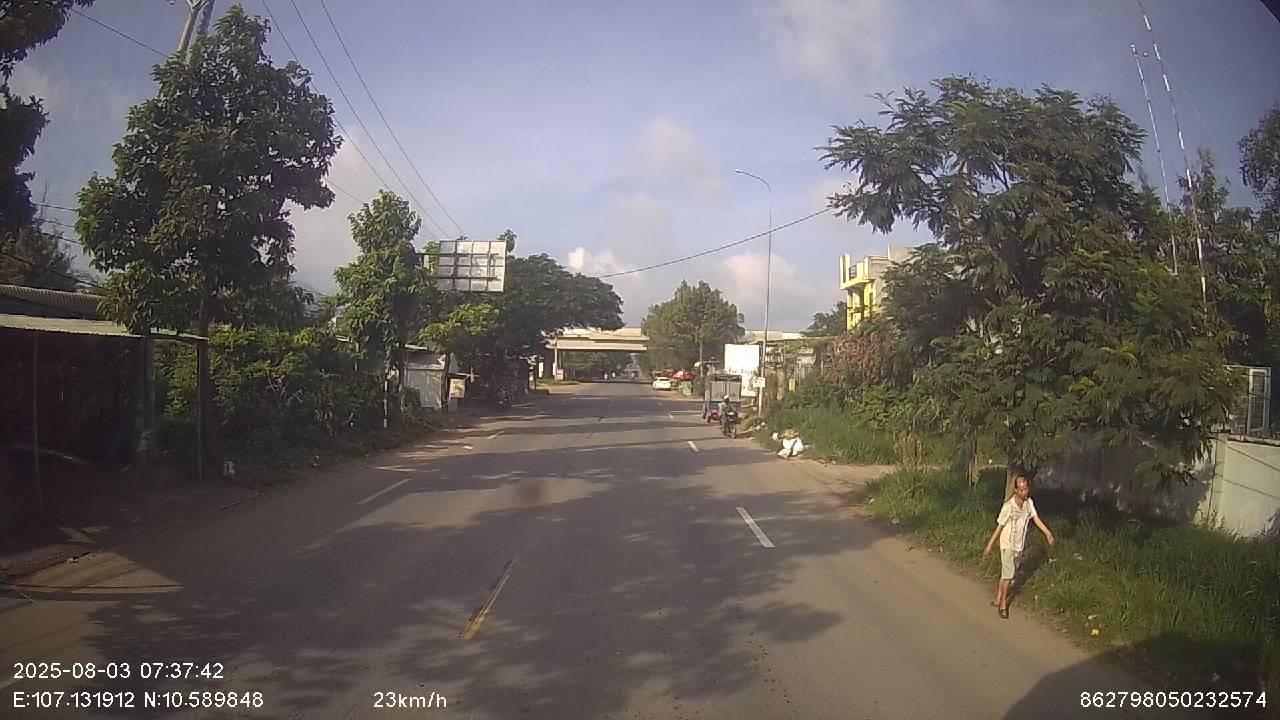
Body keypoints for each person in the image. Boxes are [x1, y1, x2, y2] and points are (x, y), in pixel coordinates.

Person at [983, 475, 1054, 619]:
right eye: (1021, 490)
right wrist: (990, 544)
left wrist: (1047, 533)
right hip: (1007, 544)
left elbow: (1036, 519)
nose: (1024, 492)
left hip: (1018, 545)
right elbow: (999, 527)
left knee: (1008, 574)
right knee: (1008, 575)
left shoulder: (1028, 504)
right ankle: (1003, 604)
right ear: (1015, 490)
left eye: (1026, 489)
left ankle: (997, 598)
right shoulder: (1008, 507)